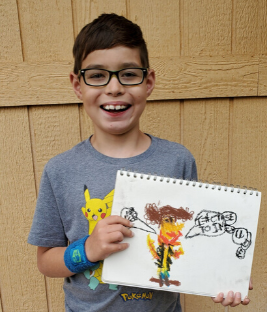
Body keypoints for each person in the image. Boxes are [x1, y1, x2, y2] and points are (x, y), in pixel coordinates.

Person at [26, 13, 251, 311]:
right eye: (96, 75)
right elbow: (45, 261)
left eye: (129, 74)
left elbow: (193, 242)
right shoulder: (60, 170)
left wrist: (219, 276)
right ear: (77, 85)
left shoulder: (177, 160)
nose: (114, 88)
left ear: (149, 82)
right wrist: (88, 249)